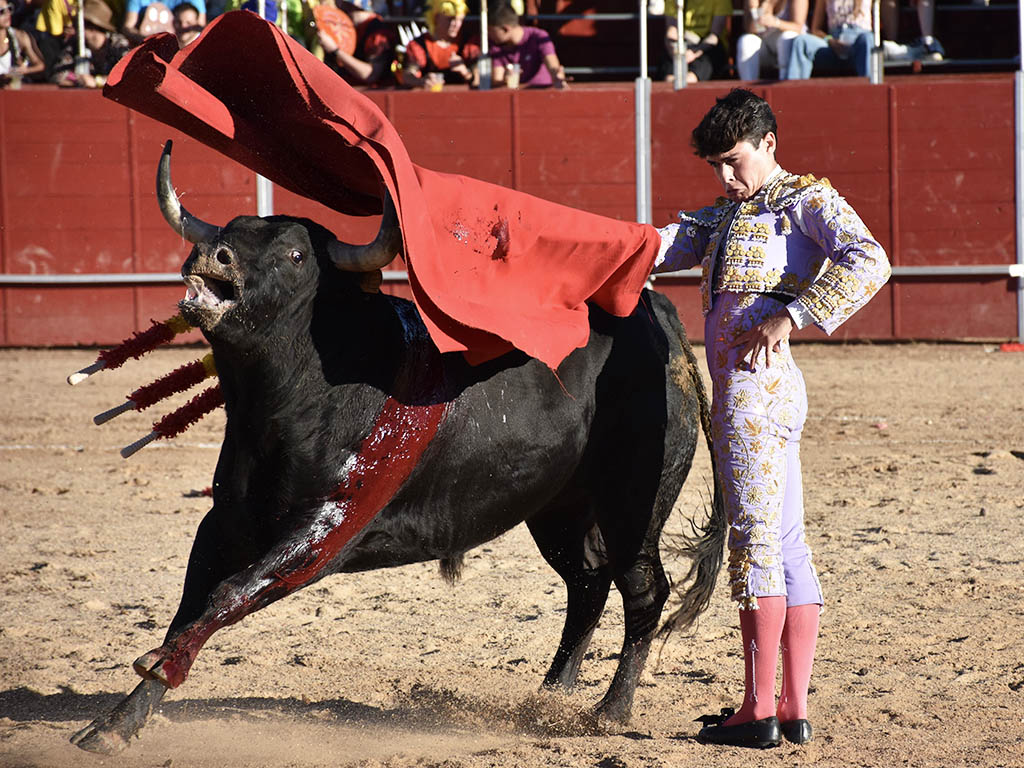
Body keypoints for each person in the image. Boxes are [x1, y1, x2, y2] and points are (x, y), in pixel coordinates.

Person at [653, 89, 890, 748]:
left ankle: (757, 712)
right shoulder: (724, 218)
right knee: (784, 547)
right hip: (764, 395)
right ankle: (791, 708)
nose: (727, 178)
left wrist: (793, 315)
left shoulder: (805, 200)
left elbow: (870, 257)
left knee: (755, 545)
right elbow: (658, 245)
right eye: (717, 168)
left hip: (755, 397)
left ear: (769, 145)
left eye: (735, 162)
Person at [316, 0, 397, 87]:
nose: (340, 7)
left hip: (365, 94)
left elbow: (370, 74)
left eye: (343, 5)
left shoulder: (378, 34)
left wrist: (335, 50)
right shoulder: (353, 26)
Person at [783, 0, 872, 79]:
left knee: (868, 39)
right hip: (833, 45)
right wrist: (831, 41)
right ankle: (793, 93)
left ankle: (870, 90)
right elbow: (816, 29)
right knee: (801, 42)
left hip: (859, 45)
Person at [50, 0, 131, 86]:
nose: (75, 30)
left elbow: (128, 75)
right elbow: (56, 75)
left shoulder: (118, 44)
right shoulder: (75, 45)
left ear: (92, 28)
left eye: (79, 26)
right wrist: (78, 80)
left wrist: (97, 81)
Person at [401, 0, 479, 88]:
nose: (455, 24)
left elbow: (481, 80)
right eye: (450, 19)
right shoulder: (420, 45)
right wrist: (421, 81)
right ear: (436, 17)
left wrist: (466, 73)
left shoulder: (469, 43)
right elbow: (407, 74)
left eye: (459, 19)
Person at [486, 2, 566, 89]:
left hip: (542, 93)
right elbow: (497, 79)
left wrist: (557, 76)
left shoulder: (538, 36)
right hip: (514, 96)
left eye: (490, 30)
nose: (488, 34)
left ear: (506, 29)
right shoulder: (495, 45)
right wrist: (505, 80)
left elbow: (553, 65)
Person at [661, 0, 732, 84]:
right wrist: (675, 52)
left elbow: (714, 36)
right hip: (682, 46)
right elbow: (671, 32)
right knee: (669, 77)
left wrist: (693, 53)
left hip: (708, 47)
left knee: (692, 77)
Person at [735, 0, 808, 80]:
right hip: (765, 45)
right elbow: (751, 28)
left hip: (788, 46)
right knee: (746, 41)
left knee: (787, 37)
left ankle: (786, 85)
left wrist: (776, 22)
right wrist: (756, 9)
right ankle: (747, 90)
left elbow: (798, 27)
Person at [1, 0, 45, 86]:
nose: (7, 14)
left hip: (12, 88)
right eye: (1, 11)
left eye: (9, 9)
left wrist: (24, 70)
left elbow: (40, 65)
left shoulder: (19, 37)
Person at [121, 0, 205, 45]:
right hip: (144, 41)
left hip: (181, 43)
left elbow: (200, 29)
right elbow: (128, 27)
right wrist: (147, 40)